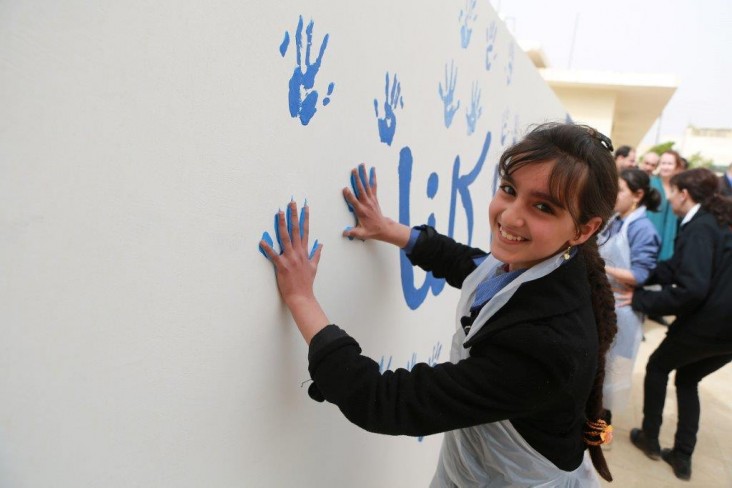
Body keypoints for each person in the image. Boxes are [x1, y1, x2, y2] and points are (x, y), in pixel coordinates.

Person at [259, 123, 620, 486]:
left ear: (584, 229)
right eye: (509, 189)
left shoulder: (545, 348)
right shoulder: (549, 265)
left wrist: (301, 298)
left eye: (542, 206)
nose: (510, 216)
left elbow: (383, 401)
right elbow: (473, 266)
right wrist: (389, 229)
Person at [616, 168, 732, 481]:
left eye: (672, 190)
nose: (668, 197)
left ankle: (650, 438)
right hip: (728, 333)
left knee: (657, 367)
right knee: (687, 379)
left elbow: (692, 288)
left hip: (710, 324)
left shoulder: (700, 227)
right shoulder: (718, 220)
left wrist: (641, 300)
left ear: (684, 194)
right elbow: (676, 266)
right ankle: (682, 457)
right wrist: (646, 278)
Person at [600, 169, 661, 424]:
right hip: (606, 303)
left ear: (637, 195)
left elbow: (640, 275)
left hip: (622, 312)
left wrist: (599, 267)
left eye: (620, 190)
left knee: (614, 377)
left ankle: (601, 434)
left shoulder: (643, 229)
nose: (614, 194)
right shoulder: (617, 219)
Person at [647, 150, 683, 261]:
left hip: (670, 242)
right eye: (663, 163)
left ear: (677, 167)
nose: (665, 167)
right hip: (648, 239)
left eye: (670, 164)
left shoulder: (680, 189)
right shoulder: (650, 184)